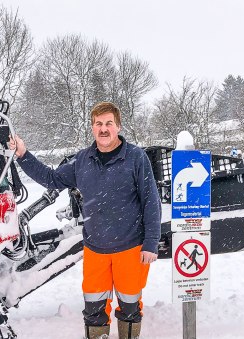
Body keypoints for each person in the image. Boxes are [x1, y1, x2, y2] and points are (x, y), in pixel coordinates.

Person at [9, 102, 162, 339]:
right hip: (95, 250)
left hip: (130, 248)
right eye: (98, 124)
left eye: (108, 123)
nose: (103, 129)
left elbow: (151, 200)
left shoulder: (135, 158)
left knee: (130, 307)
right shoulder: (82, 160)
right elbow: (52, 179)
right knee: (94, 309)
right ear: (92, 128)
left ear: (118, 126)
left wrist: (151, 242)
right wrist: (23, 155)